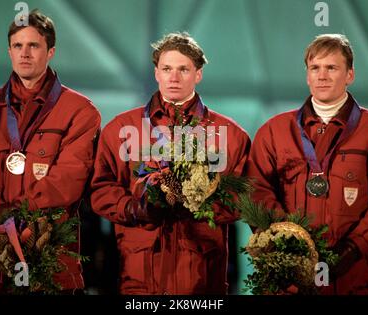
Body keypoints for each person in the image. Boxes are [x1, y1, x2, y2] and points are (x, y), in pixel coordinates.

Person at [0, 9, 101, 294]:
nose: (25, 53)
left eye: (34, 45)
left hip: (48, 260)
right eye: (18, 46)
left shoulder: (80, 112)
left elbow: (68, 181)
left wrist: (19, 218)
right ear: (9, 51)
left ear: (51, 51)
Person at [90, 32, 250, 294]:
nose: (174, 77)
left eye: (183, 69)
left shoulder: (229, 134)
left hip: (200, 277)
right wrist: (135, 208)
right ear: (156, 73)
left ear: (198, 74)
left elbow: (243, 197)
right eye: (167, 69)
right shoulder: (121, 128)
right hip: (138, 276)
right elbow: (101, 188)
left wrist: (196, 203)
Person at [248, 34, 368, 294]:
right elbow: (256, 190)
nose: (322, 76)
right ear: (307, 76)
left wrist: (353, 248)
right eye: (315, 68)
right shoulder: (274, 131)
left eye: (332, 68)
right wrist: (290, 244)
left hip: (356, 276)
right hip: (291, 281)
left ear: (350, 75)